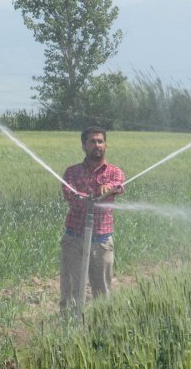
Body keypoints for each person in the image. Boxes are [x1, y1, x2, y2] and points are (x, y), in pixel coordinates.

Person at [60, 126, 125, 313]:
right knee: (71, 289)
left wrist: (109, 187)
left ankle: (101, 329)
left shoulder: (114, 172)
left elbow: (119, 185)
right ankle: (70, 327)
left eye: (100, 141)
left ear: (105, 145)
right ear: (84, 146)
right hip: (74, 239)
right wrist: (86, 196)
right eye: (92, 141)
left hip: (102, 241)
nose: (97, 145)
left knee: (102, 291)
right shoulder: (72, 172)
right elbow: (70, 194)